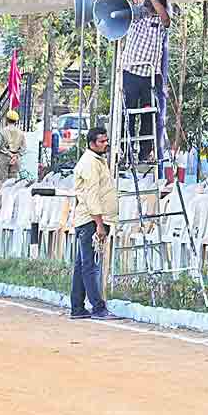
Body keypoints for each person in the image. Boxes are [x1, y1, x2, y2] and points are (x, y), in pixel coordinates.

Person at [70, 126, 119, 320]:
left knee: (82, 265)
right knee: (90, 266)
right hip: (91, 220)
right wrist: (99, 224)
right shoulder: (90, 163)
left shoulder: (97, 160)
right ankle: (98, 307)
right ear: (92, 144)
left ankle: (77, 307)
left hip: (91, 219)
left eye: (106, 140)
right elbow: (92, 196)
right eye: (102, 141)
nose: (105, 144)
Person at [119, 0, 171, 163]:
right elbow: (124, 6)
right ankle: (125, 152)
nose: (149, 2)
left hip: (150, 76)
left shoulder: (161, 22)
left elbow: (165, 18)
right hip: (130, 73)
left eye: (154, 0)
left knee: (148, 115)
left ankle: (144, 153)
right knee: (127, 114)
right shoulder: (137, 16)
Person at [0, 110, 25, 184]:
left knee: (2, 181)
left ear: (6, 119)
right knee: (12, 182)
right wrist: (15, 156)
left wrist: (9, 155)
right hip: (15, 159)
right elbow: (23, 148)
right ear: (16, 121)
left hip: (3, 158)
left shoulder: (2, 132)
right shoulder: (21, 133)